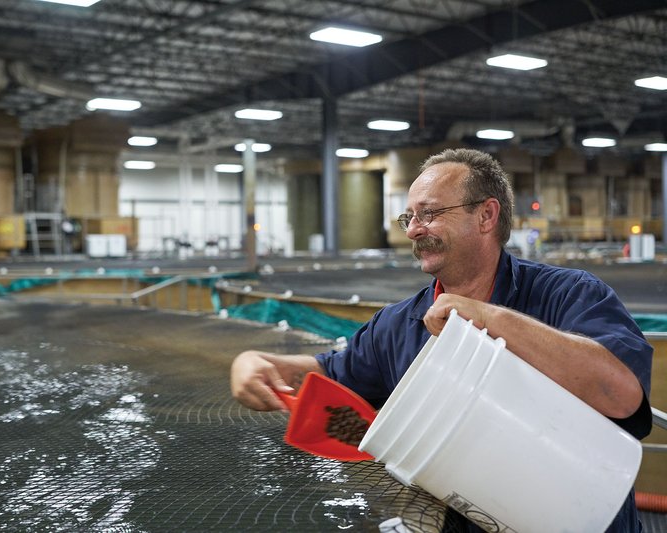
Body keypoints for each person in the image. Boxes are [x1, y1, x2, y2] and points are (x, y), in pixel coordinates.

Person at [230, 148, 653, 532]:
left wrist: (490, 319)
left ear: (486, 216)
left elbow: (620, 395)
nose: (414, 230)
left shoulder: (569, 294)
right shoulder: (398, 325)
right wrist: (255, 363)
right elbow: (326, 375)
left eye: (429, 213)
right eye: (408, 217)